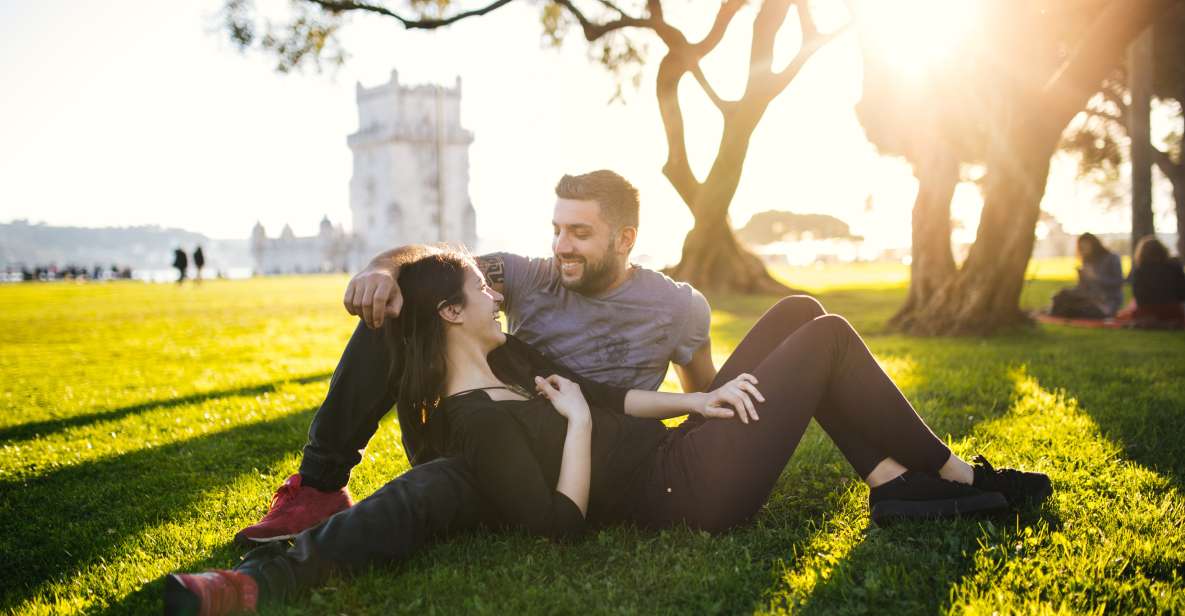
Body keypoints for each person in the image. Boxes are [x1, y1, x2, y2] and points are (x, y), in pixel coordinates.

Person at [163, 249, 1052, 614]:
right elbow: (560, 525)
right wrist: (579, 426)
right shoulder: (470, 438)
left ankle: (898, 483)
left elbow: (608, 393)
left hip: (680, 444)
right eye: (481, 291)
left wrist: (695, 402)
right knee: (823, 340)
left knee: (800, 309)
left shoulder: (507, 363)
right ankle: (950, 471)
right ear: (450, 314)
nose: (495, 293)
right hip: (688, 492)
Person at [1049, 233, 1124, 319]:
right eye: (1082, 247)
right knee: (1063, 295)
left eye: (1086, 246)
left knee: (1079, 310)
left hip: (1106, 302)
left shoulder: (1112, 258)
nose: (1084, 250)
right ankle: (1059, 311)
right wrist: (1081, 278)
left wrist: (1095, 277)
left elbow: (1118, 282)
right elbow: (1083, 289)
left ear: (1095, 244)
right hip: (1089, 298)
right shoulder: (1087, 261)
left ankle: (1062, 312)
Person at [1116, 235, 1185, 326]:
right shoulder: (1175, 266)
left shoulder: (1140, 271)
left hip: (1147, 311)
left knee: (1123, 315)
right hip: (1173, 309)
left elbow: (1139, 297)